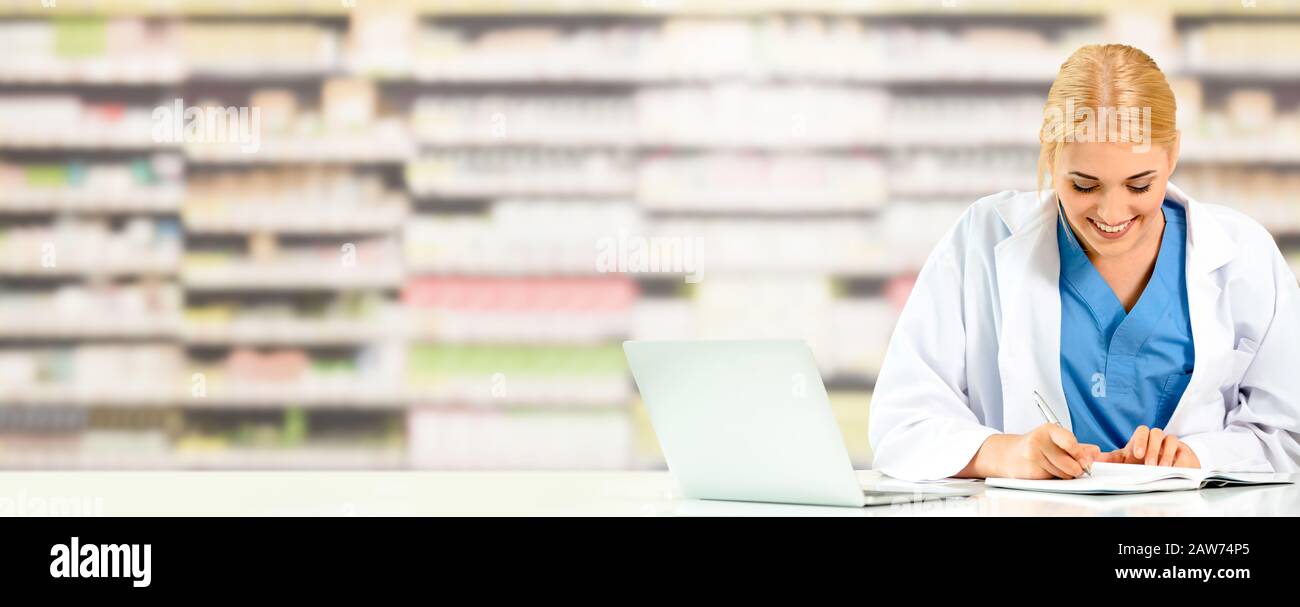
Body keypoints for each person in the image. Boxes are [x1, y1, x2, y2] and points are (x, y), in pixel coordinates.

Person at [867, 44, 1300, 481]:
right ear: (1051, 157)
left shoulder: (1244, 257)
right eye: (1084, 186)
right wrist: (1007, 454)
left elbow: (1287, 436)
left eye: (1139, 186)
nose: (1112, 214)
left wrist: (1197, 457)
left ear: (1172, 155)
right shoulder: (981, 239)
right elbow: (902, 423)